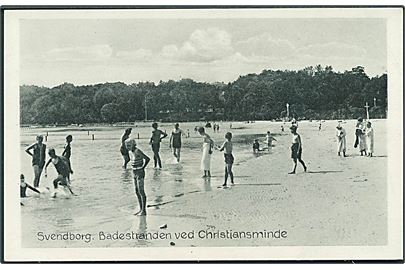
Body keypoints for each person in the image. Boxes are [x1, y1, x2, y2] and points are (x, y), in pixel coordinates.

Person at [125, 139, 150, 215]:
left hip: (140, 172)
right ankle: (140, 209)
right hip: (134, 172)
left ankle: (144, 210)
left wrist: (143, 167)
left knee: (141, 191)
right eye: (126, 146)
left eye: (129, 145)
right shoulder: (131, 152)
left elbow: (147, 159)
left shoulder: (137, 151)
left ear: (133, 144)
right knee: (136, 191)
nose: (127, 147)